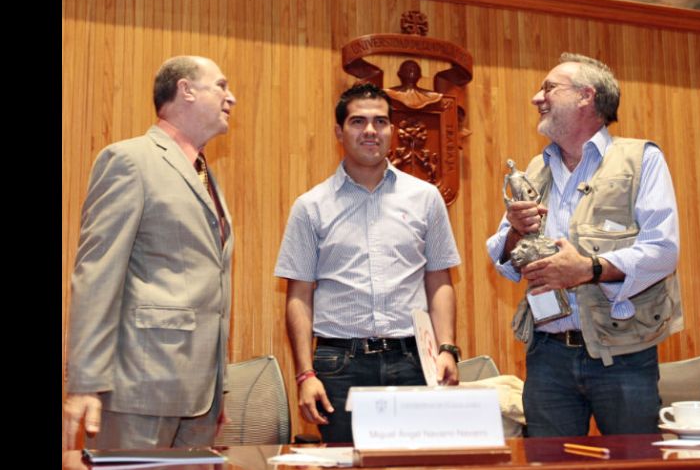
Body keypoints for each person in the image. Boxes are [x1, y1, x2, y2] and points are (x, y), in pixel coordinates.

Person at [486, 52, 683, 437]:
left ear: (585, 96)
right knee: (547, 464)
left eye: (548, 88)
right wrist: (513, 231)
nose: (536, 98)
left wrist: (588, 270)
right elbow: (503, 261)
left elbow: (663, 250)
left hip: (624, 354)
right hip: (547, 355)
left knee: (636, 466)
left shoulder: (641, 159)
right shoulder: (535, 169)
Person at [63, 55, 237, 450]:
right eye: (221, 86)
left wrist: (218, 388)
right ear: (185, 90)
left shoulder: (203, 173)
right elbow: (97, 273)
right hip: (140, 389)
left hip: (200, 397)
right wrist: (86, 382)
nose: (232, 98)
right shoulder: (129, 160)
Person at [274, 83, 462, 443]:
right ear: (338, 132)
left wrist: (447, 348)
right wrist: (304, 374)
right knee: (346, 463)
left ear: (393, 130)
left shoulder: (426, 198)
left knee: (414, 466)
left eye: (381, 122)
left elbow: (439, 280)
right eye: (358, 121)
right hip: (340, 365)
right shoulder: (311, 206)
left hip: (413, 361)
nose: (371, 131)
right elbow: (298, 295)